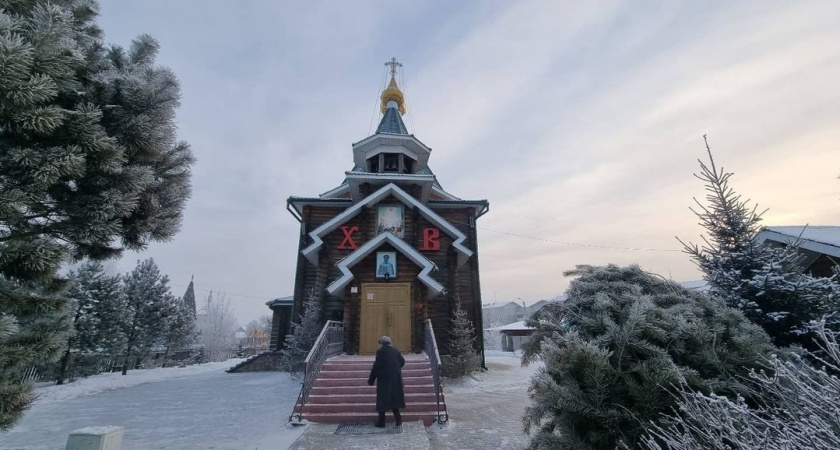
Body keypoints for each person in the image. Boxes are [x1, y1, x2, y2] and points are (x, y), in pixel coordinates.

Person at [367, 335, 405, 427]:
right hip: (396, 378)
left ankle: (381, 422)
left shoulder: (381, 352)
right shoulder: (396, 350)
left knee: (382, 400)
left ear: (382, 344)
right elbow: (402, 361)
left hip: (384, 379)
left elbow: (376, 366)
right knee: (394, 399)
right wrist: (395, 369)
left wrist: (371, 380)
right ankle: (398, 420)